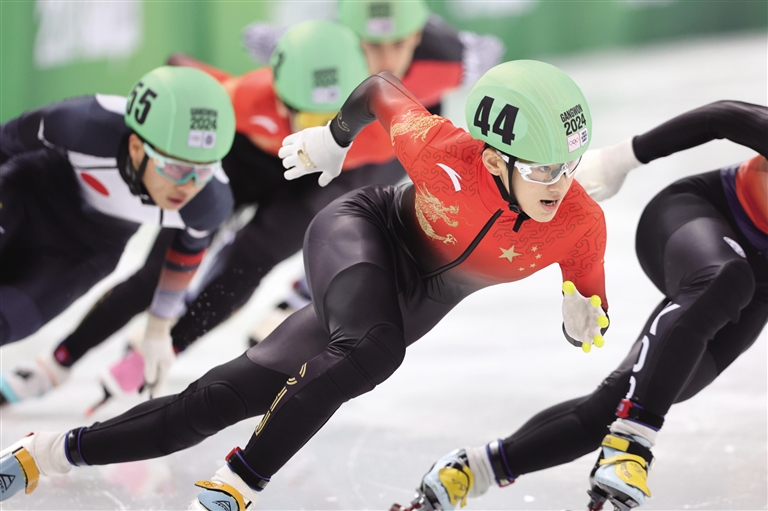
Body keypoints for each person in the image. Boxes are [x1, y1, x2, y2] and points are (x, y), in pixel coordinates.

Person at [0, 59, 610, 510]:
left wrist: (583, 309)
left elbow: (590, 297)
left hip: (407, 303)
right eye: (543, 169)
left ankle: (45, 452)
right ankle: (236, 486)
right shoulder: (442, 150)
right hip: (362, 234)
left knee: (223, 398)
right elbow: (379, 89)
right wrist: (334, 137)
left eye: (570, 165)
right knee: (375, 348)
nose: (560, 184)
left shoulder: (581, 224)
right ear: (495, 158)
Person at [395, 100, 768, 511]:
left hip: (757, 283)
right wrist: (623, 157)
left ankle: (476, 468)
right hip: (701, 214)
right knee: (726, 279)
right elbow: (722, 117)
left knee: (637, 393)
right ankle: (631, 444)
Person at [0, 20, 391, 405]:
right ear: (280, 99)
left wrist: (161, 336)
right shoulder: (244, 98)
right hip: (243, 160)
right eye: (307, 120)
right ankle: (59, 362)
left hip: (323, 176)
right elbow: (182, 75)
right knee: (155, 273)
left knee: (250, 261)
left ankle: (172, 345)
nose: (318, 133)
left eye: (333, 120)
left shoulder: (378, 135)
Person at [244, 0, 505, 345]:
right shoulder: (325, 41)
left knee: (354, 207)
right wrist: (282, 43)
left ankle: (300, 296)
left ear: (415, 37)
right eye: (372, 46)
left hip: (402, 129)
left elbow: (490, 52)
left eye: (398, 44)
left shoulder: (447, 54)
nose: (386, 59)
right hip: (345, 122)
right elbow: (262, 40)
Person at [0, 66, 235, 399]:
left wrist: (158, 329)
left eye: (203, 170)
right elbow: (5, 142)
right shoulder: (82, 123)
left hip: (85, 249)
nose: (188, 186)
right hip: (27, 193)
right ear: (137, 148)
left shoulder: (209, 202)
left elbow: (184, 256)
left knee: (6, 322)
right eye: (176, 168)